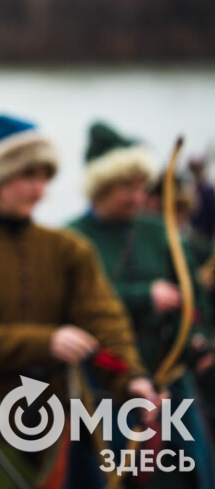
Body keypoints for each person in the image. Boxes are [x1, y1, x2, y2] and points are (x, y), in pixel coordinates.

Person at [0, 115, 155, 487]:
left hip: (62, 421)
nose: (40, 190)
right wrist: (46, 342)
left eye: (45, 178)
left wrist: (131, 378)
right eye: (28, 177)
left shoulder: (69, 249)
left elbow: (104, 319)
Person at [67, 121, 215, 487]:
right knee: (113, 469)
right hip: (106, 371)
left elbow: (192, 296)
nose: (136, 196)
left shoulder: (158, 231)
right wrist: (143, 296)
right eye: (125, 188)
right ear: (101, 188)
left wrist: (196, 337)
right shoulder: (73, 238)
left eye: (139, 187)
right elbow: (81, 304)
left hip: (167, 367)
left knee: (194, 467)